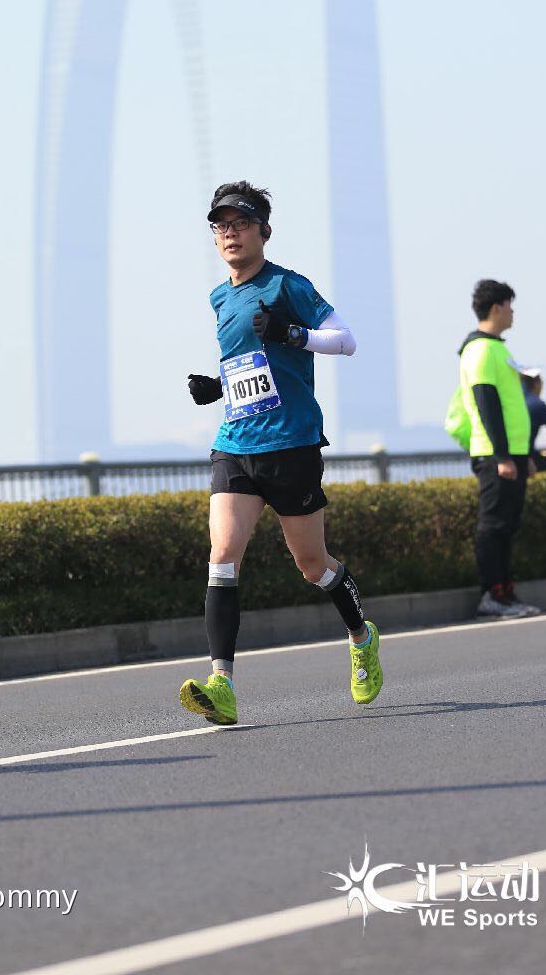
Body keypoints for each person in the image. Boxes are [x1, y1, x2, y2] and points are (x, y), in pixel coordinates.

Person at [179, 180, 383, 725]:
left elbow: (345, 339)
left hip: (291, 444)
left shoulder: (289, 285)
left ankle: (361, 638)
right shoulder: (219, 297)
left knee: (312, 566)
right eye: (220, 225)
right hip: (236, 445)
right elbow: (249, 363)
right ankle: (221, 683)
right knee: (223, 556)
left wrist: (296, 335)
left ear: (263, 231)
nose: (230, 233)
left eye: (240, 223)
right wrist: (218, 386)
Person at [458, 279, 540, 619]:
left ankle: (506, 594)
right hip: (496, 455)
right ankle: (490, 595)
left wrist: (525, 455)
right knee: (493, 525)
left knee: (507, 525)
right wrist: (503, 456)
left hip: (512, 454)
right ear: (496, 308)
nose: (513, 312)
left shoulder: (498, 348)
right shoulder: (479, 350)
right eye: (510, 305)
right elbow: (486, 404)